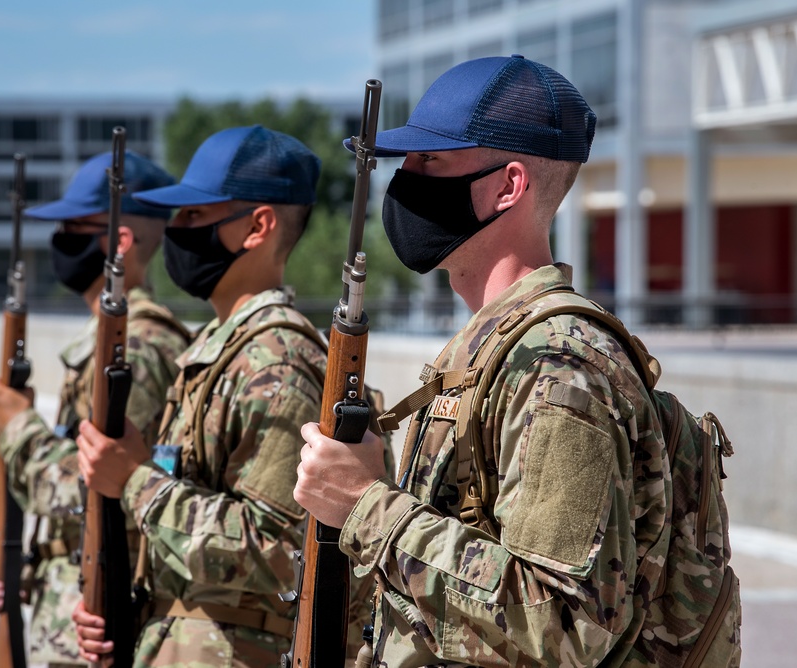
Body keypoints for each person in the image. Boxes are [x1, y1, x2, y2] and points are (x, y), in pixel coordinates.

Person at [294, 55, 672, 666]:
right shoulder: (491, 349)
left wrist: (366, 505)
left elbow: (566, 627)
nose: (406, 181)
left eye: (431, 162)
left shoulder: (556, 366)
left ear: (508, 186)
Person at [71, 125, 331, 668]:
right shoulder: (219, 349)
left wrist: (136, 481)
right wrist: (115, 604)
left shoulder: (278, 362)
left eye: (195, 216)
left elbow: (279, 552)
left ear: (257, 226)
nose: (177, 230)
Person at [0, 150, 191, 667]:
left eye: (76, 227)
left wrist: (18, 429)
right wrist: (18, 565)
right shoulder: (103, 342)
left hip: (97, 619)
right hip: (66, 612)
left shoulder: (137, 346)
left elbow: (99, 486)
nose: (62, 242)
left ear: (119, 240)